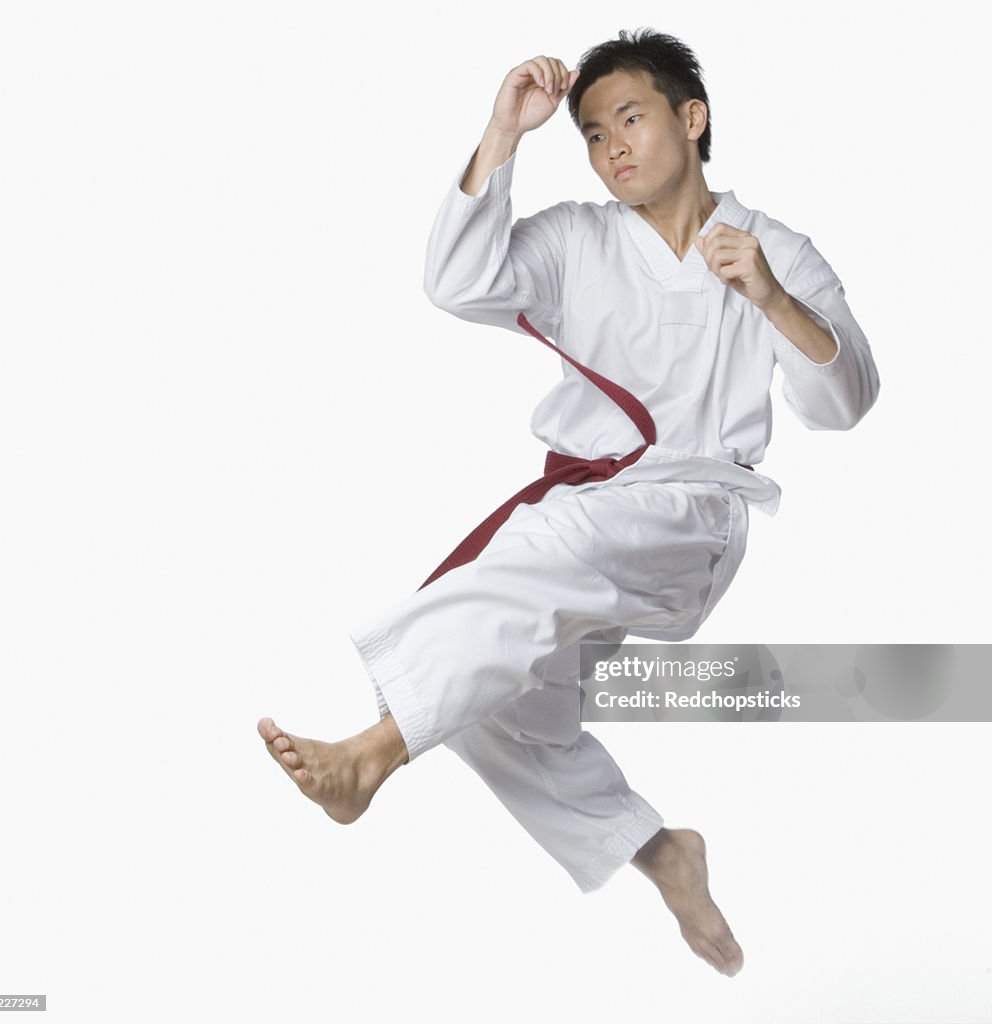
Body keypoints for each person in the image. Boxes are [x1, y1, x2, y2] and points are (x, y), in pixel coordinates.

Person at [257, 29, 879, 977]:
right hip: (591, 513)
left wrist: (772, 296)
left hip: (688, 519)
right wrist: (504, 131)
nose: (612, 146)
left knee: (539, 548)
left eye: (630, 118)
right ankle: (662, 851)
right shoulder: (576, 240)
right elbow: (456, 283)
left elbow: (846, 404)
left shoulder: (774, 246)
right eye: (592, 134)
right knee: (490, 702)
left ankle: (373, 753)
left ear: (692, 118)